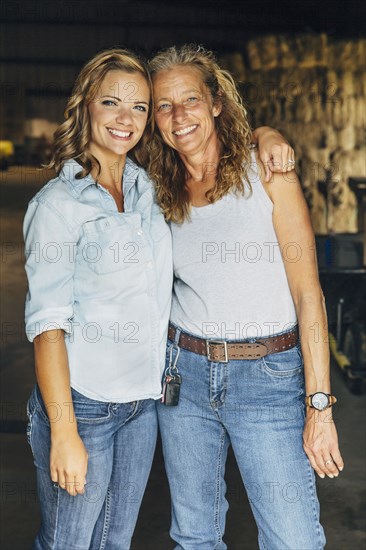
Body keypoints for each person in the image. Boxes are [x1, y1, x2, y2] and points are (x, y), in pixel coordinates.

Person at [24, 47, 292, 549]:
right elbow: (47, 326)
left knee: (114, 542)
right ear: (85, 106)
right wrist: (64, 432)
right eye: (111, 103)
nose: (126, 119)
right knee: (68, 543)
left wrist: (266, 134)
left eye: (141, 107)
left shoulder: (148, 187)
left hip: (142, 405)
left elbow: (221, 140)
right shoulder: (58, 206)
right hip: (84, 404)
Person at [148, 44, 344, 549]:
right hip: (183, 376)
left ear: (216, 103)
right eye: (164, 106)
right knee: (194, 535)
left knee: (294, 539)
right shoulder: (158, 189)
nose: (178, 116)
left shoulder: (267, 173)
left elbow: (308, 294)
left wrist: (318, 407)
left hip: (268, 376)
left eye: (189, 99)